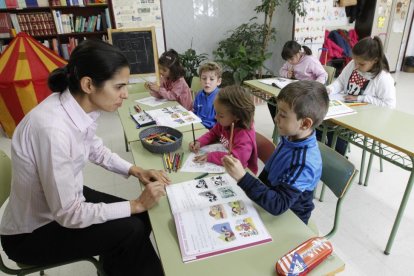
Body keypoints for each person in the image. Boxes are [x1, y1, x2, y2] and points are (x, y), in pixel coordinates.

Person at [0, 40, 169, 276]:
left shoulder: (76, 105)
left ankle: (116, 267)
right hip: (31, 233)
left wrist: (136, 170)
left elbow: (95, 149)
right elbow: (69, 214)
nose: (125, 94)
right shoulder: (52, 129)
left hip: (58, 202)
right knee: (132, 227)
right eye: (119, 86)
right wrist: (135, 204)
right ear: (89, 84)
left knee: (140, 219)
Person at [222, 81, 329, 224]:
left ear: (305, 124)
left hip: (291, 219)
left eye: (283, 115)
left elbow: (279, 205)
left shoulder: (304, 163)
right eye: (277, 111)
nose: (275, 118)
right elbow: (267, 175)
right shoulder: (290, 137)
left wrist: (243, 178)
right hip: (269, 203)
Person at [321, 36, 396, 155]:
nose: (356, 66)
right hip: (344, 107)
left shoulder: (383, 78)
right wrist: (330, 89)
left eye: (361, 64)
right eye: (354, 61)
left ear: (375, 60)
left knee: (336, 129)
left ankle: (338, 159)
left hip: (363, 118)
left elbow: (389, 105)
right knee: (318, 119)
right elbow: (340, 82)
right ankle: (322, 152)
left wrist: (361, 98)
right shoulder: (354, 63)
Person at [189, 85, 258, 175]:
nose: (215, 117)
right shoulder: (225, 123)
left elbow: (236, 159)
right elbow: (213, 133)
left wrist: (210, 156)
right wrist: (199, 142)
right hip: (224, 163)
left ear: (236, 116)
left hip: (240, 173)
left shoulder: (244, 136)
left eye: (220, 115)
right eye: (216, 112)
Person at [268, 41, 328, 120]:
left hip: (307, 92)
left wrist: (314, 86)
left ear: (299, 53)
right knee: (272, 101)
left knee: (285, 105)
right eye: (287, 59)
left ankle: (289, 127)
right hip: (295, 89)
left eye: (291, 59)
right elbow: (281, 70)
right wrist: (287, 74)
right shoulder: (290, 61)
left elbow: (324, 75)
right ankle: (282, 126)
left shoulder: (310, 61)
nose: (289, 62)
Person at [193, 61, 222, 129]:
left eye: (211, 79)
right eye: (204, 78)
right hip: (197, 126)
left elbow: (221, 123)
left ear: (218, 81)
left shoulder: (221, 98)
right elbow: (195, 112)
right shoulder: (199, 94)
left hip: (212, 130)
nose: (207, 82)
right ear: (200, 80)